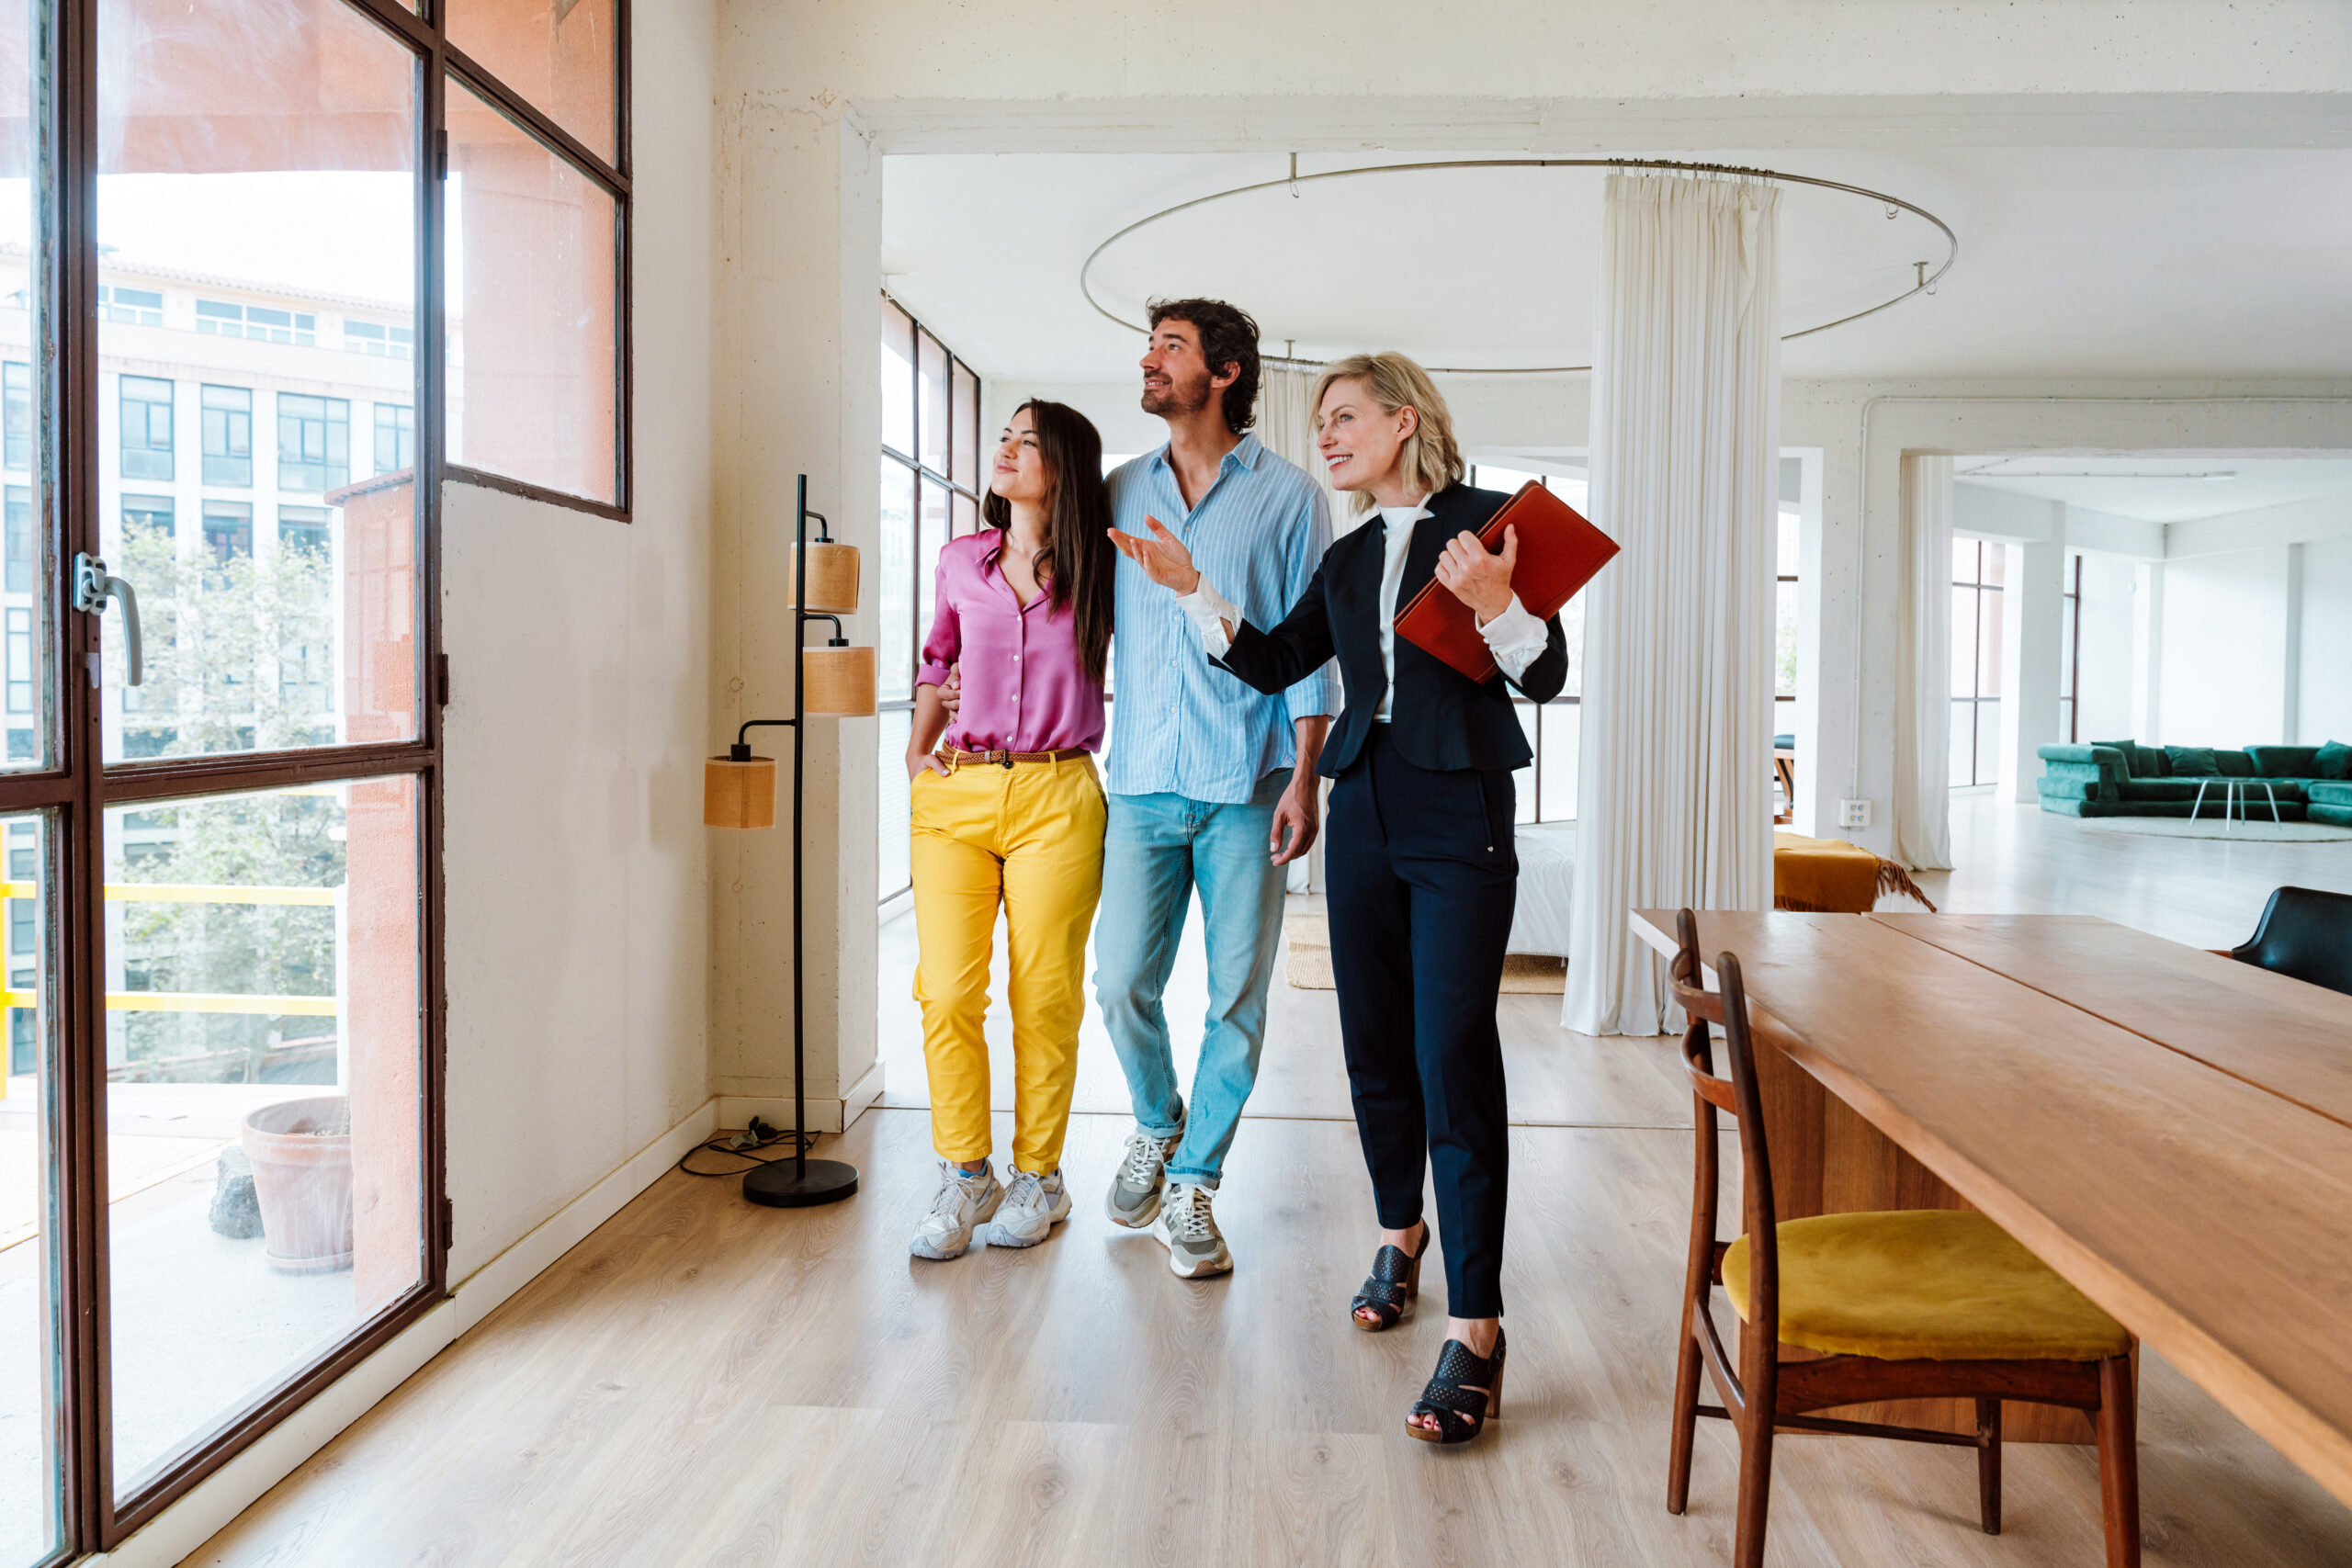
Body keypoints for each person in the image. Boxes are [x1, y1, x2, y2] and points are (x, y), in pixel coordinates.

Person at [1110, 352, 1566, 1445]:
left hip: (1460, 812)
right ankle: (1398, 1232)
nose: (1328, 436)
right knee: (1372, 1050)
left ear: (1404, 422)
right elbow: (1275, 662)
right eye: (1320, 423)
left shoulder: (1492, 520)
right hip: (1360, 808)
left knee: (1451, 1051)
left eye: (1346, 417)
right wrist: (1193, 590)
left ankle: (1478, 1327)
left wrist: (1500, 603)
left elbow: (1541, 676)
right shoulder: (1352, 550)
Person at [1095, 299, 1333, 1280]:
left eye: (1171, 347)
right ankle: (1158, 1121)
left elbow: (1307, 650)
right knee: (1119, 987)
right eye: (1151, 345)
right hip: (1142, 782)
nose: (1148, 360)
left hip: (1248, 781)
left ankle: (1195, 1181)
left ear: (1225, 372)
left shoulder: (1290, 496)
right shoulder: (1116, 488)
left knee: (1234, 1000)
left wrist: (1306, 777)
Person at [905, 400, 1117, 1261]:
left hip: (1058, 796)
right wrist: (916, 751)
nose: (1007, 450)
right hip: (958, 793)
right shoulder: (961, 558)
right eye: (1005, 436)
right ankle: (966, 1173)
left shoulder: (1104, 568)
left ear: (1064, 467)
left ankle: (1041, 1177)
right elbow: (937, 657)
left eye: (1029, 442)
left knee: (1046, 996)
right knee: (947, 993)